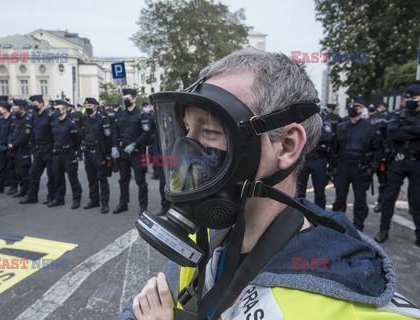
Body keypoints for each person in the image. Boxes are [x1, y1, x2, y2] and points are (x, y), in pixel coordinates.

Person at [118, 49, 420, 320]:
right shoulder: (210, 237)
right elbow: (137, 310)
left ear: (287, 145)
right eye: (186, 130)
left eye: (210, 130)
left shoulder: (350, 306)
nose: (186, 149)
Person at [375, 85, 420, 246]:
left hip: (417, 163)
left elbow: (399, 133)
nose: (409, 101)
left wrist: (406, 130)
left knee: (417, 200)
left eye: (413, 99)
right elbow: (392, 134)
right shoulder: (397, 114)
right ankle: (383, 230)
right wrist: (415, 131)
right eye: (407, 98)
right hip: (398, 161)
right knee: (388, 198)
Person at [331, 97, 381, 231]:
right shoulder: (341, 127)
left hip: (361, 168)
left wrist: (373, 167)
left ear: (362, 108)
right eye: (351, 105)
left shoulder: (369, 128)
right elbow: (333, 149)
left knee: (360, 201)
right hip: (343, 167)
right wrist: (332, 169)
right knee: (339, 199)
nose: (353, 108)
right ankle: (337, 226)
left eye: (356, 106)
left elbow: (377, 149)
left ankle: (358, 228)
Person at [111, 88, 151, 215]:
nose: (125, 101)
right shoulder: (120, 115)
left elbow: (146, 133)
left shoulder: (141, 115)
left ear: (134, 99)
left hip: (137, 153)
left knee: (140, 180)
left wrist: (135, 144)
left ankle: (143, 206)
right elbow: (115, 131)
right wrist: (113, 147)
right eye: (124, 99)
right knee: (123, 179)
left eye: (127, 99)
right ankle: (123, 203)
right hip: (123, 152)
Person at [19, 95, 56, 205]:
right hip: (38, 150)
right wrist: (33, 149)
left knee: (51, 175)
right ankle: (32, 196)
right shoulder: (34, 116)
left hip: (49, 149)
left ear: (41, 103)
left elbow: (55, 133)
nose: (34, 106)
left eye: (35, 104)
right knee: (33, 173)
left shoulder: (50, 116)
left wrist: (54, 149)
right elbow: (33, 133)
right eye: (32, 104)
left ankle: (51, 196)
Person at [48, 99, 82, 209]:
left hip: (68, 154)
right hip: (58, 155)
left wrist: (74, 150)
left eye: (59, 108)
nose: (57, 110)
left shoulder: (71, 123)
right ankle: (59, 198)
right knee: (58, 178)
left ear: (65, 109)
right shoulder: (54, 123)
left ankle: (76, 199)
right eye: (55, 108)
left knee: (73, 178)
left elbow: (77, 139)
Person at [296, 109, 332, 209]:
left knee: (319, 192)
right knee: (299, 192)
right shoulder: (302, 119)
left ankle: (319, 218)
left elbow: (327, 137)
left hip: (319, 160)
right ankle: (299, 215)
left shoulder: (323, 120)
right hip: (304, 159)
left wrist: (311, 133)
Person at [82, 97, 112, 213]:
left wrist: (108, 154)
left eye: (90, 106)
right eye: (86, 106)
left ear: (96, 106)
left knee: (102, 178)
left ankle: (105, 203)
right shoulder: (85, 119)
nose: (88, 108)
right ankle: (94, 200)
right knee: (91, 178)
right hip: (88, 152)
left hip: (99, 152)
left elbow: (108, 137)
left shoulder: (103, 119)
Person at [8, 99, 33, 198]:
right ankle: (22, 190)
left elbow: (24, 136)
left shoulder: (27, 120)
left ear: (22, 109)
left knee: (24, 172)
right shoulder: (16, 119)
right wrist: (10, 143)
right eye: (13, 109)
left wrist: (13, 144)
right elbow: (11, 133)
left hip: (24, 149)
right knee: (18, 171)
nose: (14, 112)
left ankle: (28, 191)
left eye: (16, 109)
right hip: (15, 150)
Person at [368, 101, 389, 213]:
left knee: (383, 181)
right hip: (379, 152)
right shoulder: (387, 118)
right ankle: (380, 202)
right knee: (382, 181)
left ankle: (381, 202)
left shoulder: (372, 118)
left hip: (380, 153)